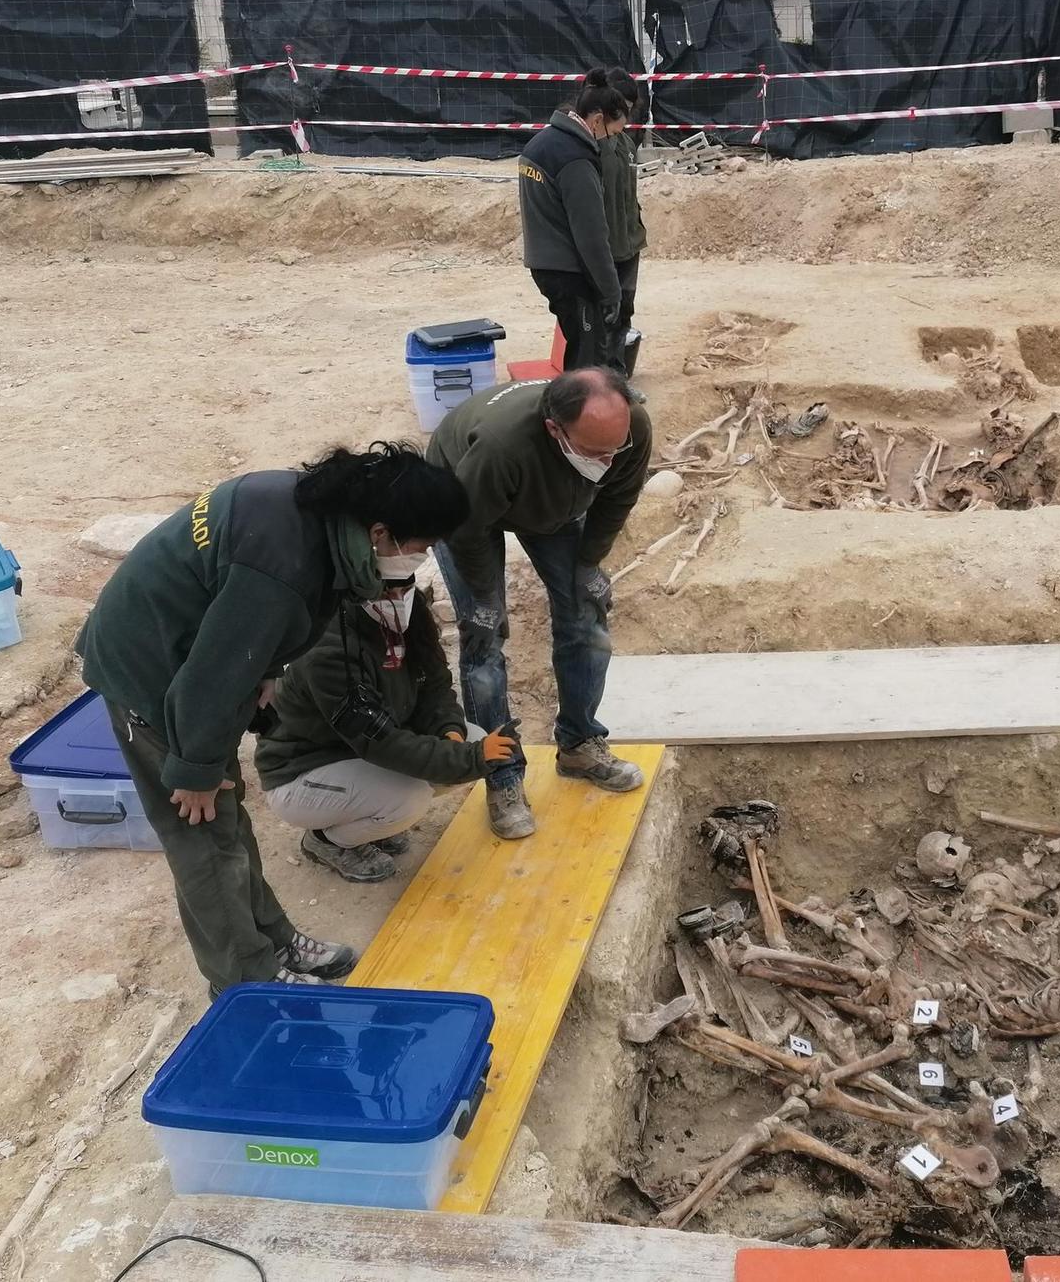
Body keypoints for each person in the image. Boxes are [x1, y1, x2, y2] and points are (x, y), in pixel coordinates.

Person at [74, 442, 469, 995]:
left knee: (228, 820)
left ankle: (272, 938)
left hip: (190, 655)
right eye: (421, 546)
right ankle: (244, 979)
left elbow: (258, 620)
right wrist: (194, 769)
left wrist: (270, 664)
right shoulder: (282, 564)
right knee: (203, 833)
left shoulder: (316, 512)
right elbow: (208, 678)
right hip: (153, 674)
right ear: (381, 532)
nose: (419, 560)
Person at [425, 367, 654, 839]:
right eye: (595, 452)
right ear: (556, 430)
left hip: (549, 497)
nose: (609, 462)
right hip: (464, 499)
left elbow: (618, 498)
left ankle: (579, 742)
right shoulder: (501, 448)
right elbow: (466, 529)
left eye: (617, 449)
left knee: (586, 616)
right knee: (484, 643)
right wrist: (485, 598)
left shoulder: (629, 428)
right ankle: (502, 777)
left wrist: (589, 564)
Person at [254, 566, 523, 882]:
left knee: (469, 735)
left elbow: (434, 688)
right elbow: (380, 742)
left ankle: (366, 817)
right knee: (409, 798)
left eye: (404, 590)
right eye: (385, 593)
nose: (398, 600)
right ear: (359, 592)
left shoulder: (410, 617)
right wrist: (472, 758)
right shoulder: (330, 647)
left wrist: (449, 731)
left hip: (352, 751)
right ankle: (325, 840)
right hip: (301, 771)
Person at [517, 69, 630, 372]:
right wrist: (610, 291)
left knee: (579, 347)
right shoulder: (576, 160)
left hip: (545, 264)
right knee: (586, 364)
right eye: (614, 132)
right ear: (597, 121)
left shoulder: (542, 143)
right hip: (569, 273)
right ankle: (574, 418)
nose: (613, 140)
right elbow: (592, 235)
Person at [600, 69, 646, 374]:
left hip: (629, 243)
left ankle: (617, 378)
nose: (627, 120)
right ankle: (600, 380)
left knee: (623, 313)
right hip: (605, 247)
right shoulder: (591, 145)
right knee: (603, 316)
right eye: (623, 111)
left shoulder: (626, 145)